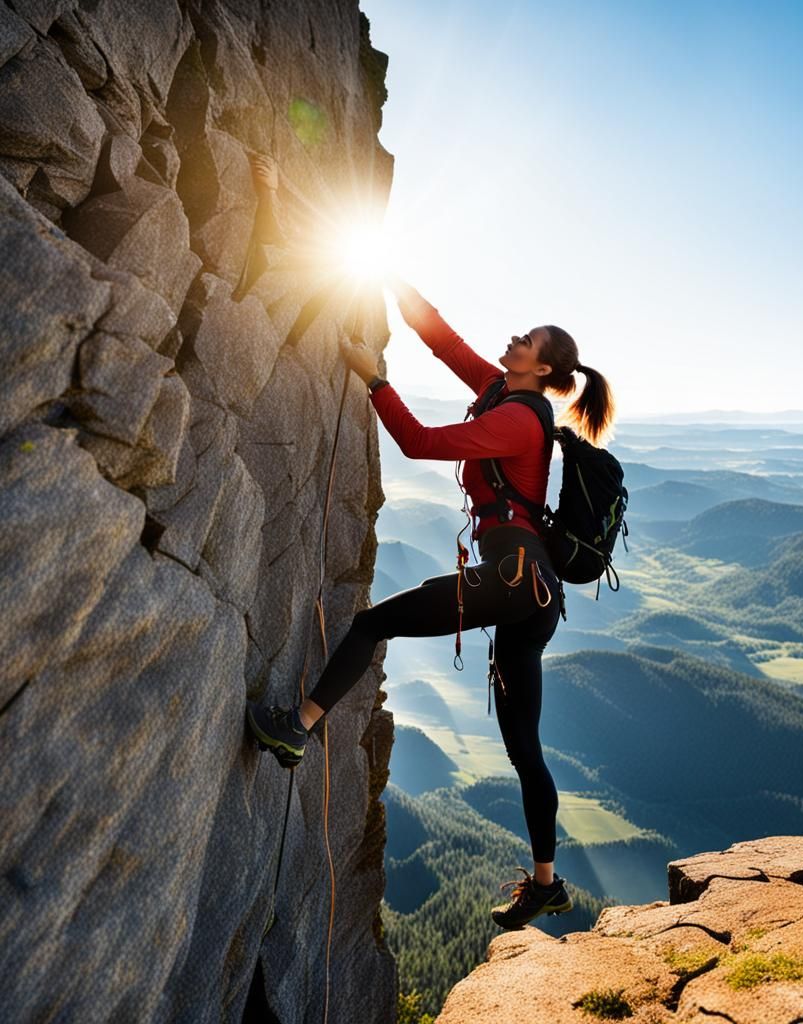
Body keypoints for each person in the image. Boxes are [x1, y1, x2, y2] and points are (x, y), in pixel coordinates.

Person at [242, 158, 616, 929]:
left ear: (543, 367)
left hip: (514, 581)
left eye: (525, 339)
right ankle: (546, 881)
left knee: (375, 621)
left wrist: (374, 379)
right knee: (525, 750)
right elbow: (437, 332)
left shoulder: (517, 418)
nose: (510, 338)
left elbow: (415, 441)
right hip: (530, 591)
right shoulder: (503, 388)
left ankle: (296, 729)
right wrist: (376, 262)